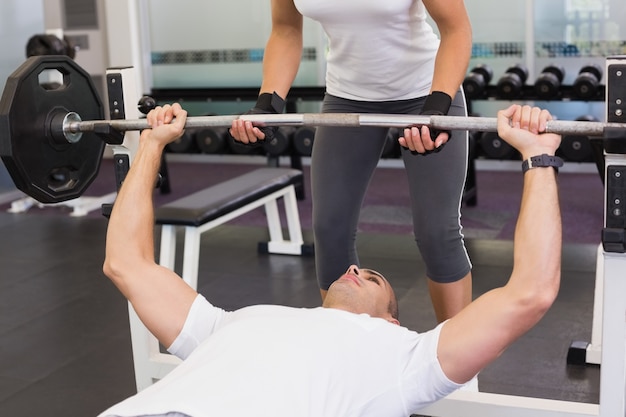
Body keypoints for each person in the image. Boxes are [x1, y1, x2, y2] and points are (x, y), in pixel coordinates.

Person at [99, 103, 562, 417]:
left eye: (372, 276)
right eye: (360, 268)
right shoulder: (226, 325)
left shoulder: (405, 359)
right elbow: (126, 263)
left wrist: (538, 160)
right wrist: (152, 145)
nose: (354, 268)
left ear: (393, 322)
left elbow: (530, 294)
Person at [229, 0, 474, 323]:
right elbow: (286, 30)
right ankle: (346, 348)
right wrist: (268, 105)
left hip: (426, 91)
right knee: (331, 230)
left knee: (436, 232)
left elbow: (456, 30)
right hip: (347, 97)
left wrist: (437, 107)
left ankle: (460, 364)